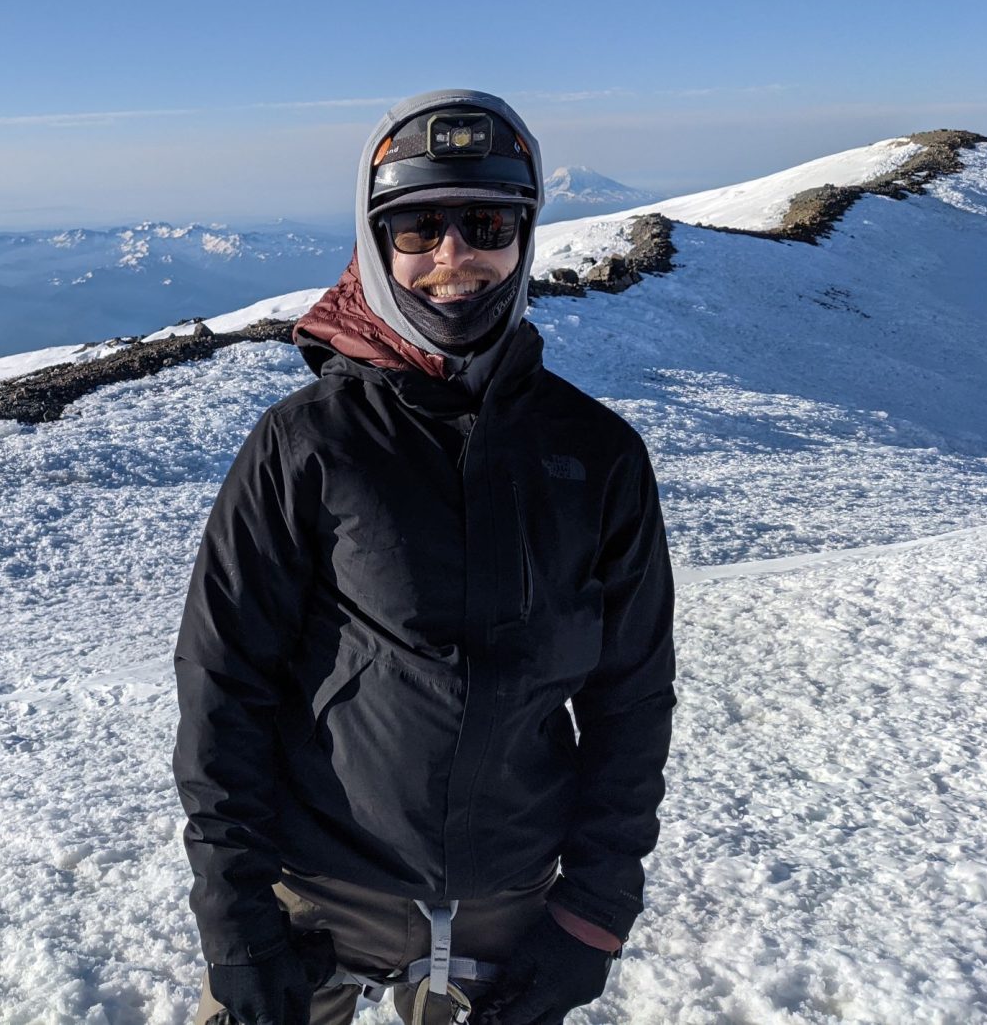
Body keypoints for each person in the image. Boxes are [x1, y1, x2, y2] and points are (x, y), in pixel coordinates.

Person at [173, 89, 677, 1025]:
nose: (453, 255)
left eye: (485, 221)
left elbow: (631, 698)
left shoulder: (598, 455)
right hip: (312, 886)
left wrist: (593, 916)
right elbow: (223, 682)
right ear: (376, 241)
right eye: (416, 226)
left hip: (511, 900)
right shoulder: (306, 444)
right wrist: (235, 918)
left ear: (525, 237)